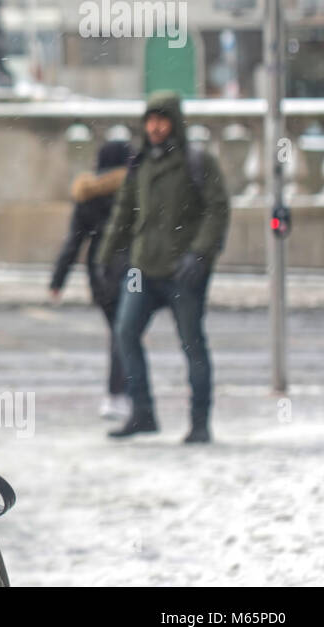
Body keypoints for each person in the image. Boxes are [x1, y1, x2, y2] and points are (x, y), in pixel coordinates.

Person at [96, 91, 230, 444]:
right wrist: (106, 255)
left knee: (192, 344)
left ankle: (199, 421)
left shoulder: (197, 162)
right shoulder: (140, 164)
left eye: (162, 120)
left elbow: (217, 210)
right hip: (142, 268)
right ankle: (143, 412)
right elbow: (124, 212)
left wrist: (199, 254)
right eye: (150, 120)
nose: (155, 127)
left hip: (182, 272)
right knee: (125, 332)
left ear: (174, 122)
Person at [49, 140, 134, 420]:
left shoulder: (88, 195)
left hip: (100, 271)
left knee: (119, 331)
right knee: (126, 332)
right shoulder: (133, 192)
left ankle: (120, 393)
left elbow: (73, 242)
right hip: (133, 269)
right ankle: (120, 393)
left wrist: (58, 280)